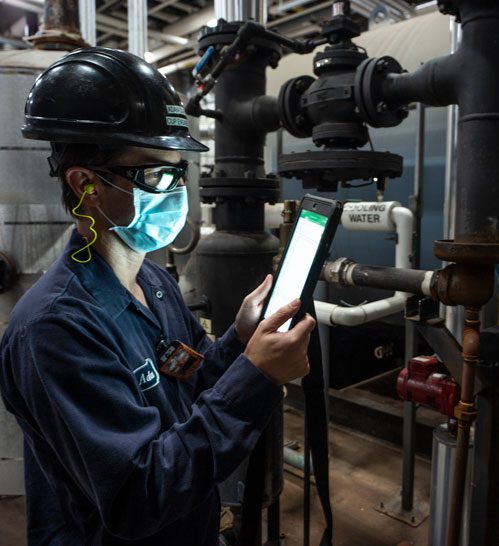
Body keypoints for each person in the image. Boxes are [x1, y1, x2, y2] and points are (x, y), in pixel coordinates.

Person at [0, 47, 315, 545]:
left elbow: (192, 384)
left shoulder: (154, 283)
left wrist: (239, 341)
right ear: (87, 186)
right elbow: (137, 497)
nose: (175, 192)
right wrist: (255, 380)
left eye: (178, 172)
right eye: (155, 174)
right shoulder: (54, 330)